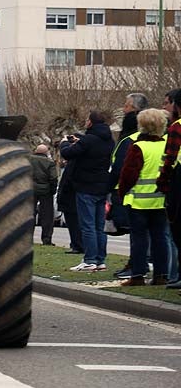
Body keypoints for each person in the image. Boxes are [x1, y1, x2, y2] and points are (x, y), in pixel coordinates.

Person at [115, 109, 171, 286]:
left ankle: (138, 274)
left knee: (139, 239)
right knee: (160, 238)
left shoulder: (138, 147)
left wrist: (121, 192)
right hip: (160, 200)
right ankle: (161, 274)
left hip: (138, 201)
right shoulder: (166, 145)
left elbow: (128, 174)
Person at [60, 111, 115, 272]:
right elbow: (90, 147)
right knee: (99, 226)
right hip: (102, 186)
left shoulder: (89, 140)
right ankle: (100, 259)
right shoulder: (108, 140)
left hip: (86, 187)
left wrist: (64, 143)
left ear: (90, 122)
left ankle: (90, 259)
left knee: (87, 226)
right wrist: (80, 141)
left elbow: (67, 153)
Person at [108, 92, 149, 247]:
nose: (123, 110)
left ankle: (139, 264)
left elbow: (121, 166)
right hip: (142, 193)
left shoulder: (131, 138)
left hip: (133, 192)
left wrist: (112, 186)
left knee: (138, 232)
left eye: (126, 106)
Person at [158, 89, 181, 288]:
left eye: (168, 103)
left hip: (177, 184)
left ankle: (178, 276)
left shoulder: (176, 127)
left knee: (177, 231)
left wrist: (163, 183)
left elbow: (170, 160)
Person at [30, 144, 58, 245]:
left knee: (29, 214)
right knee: (47, 216)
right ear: (46, 152)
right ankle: (46, 239)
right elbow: (53, 178)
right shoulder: (49, 162)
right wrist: (53, 190)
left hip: (30, 189)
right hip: (45, 191)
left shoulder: (28, 159)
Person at [57, 151, 83, 253]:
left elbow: (67, 182)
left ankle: (77, 245)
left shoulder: (73, 164)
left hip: (70, 199)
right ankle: (76, 244)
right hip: (72, 198)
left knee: (74, 224)